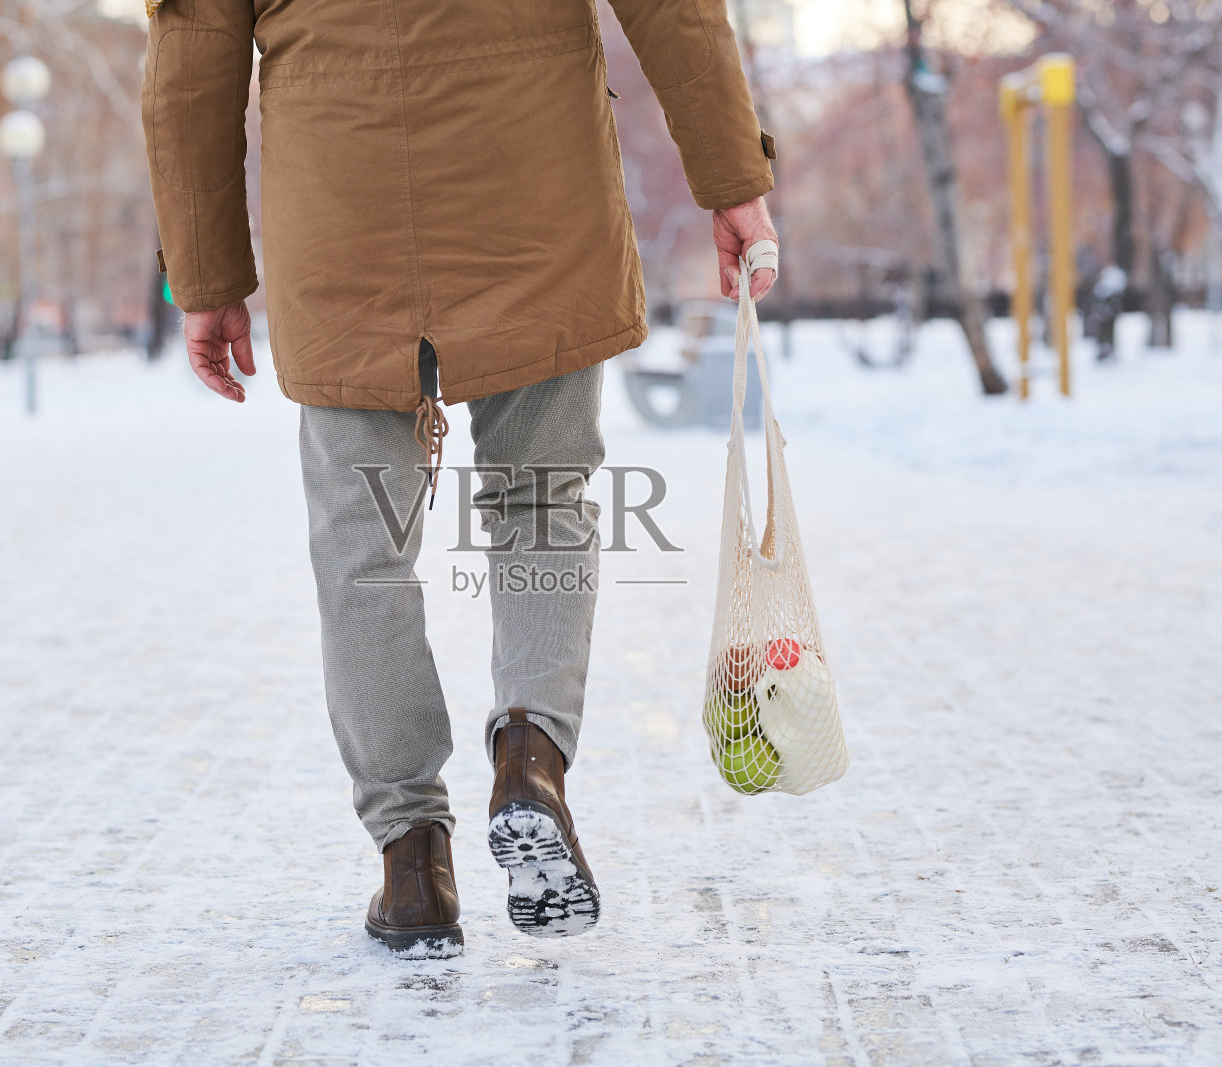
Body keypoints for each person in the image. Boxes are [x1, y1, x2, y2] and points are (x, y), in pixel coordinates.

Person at [142, 0, 779, 958]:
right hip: (536, 174)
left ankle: (412, 861)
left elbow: (190, 64)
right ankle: (530, 758)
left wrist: (206, 275)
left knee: (362, 539)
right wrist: (733, 182)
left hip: (342, 196)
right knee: (541, 495)